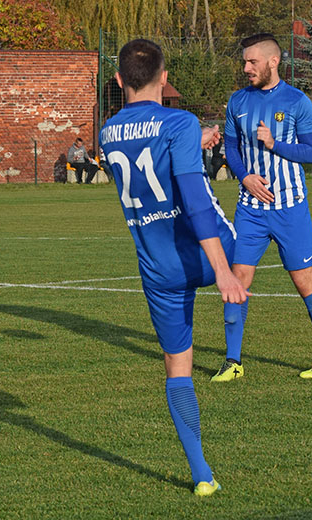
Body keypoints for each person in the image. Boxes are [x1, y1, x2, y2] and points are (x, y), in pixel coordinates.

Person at [99, 39, 249, 496]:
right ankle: (234, 355)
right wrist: (223, 269)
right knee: (253, 238)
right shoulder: (180, 120)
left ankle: (201, 473)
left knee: (178, 372)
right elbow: (195, 199)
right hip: (206, 253)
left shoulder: (106, 132)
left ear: (120, 81)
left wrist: (191, 141)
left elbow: (149, 157)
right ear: (165, 79)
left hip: (158, 267)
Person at [214, 33, 312, 383]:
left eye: (252, 61)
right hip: (250, 209)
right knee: (237, 281)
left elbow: (311, 152)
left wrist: (275, 143)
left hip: (290, 208)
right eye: (244, 61)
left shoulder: (298, 102)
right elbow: (231, 146)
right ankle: (233, 361)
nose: (246, 68)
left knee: (304, 282)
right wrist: (245, 178)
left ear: (273, 61)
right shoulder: (237, 101)